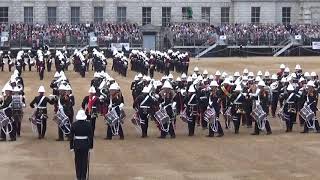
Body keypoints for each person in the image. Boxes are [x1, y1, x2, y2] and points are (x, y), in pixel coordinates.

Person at [70, 109, 93, 180]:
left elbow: (71, 137)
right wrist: (91, 146)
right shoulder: (88, 124)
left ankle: (78, 176)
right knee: (84, 161)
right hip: (85, 144)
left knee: (77, 161)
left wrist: (71, 146)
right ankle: (83, 176)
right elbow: (90, 136)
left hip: (77, 144)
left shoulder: (74, 124)